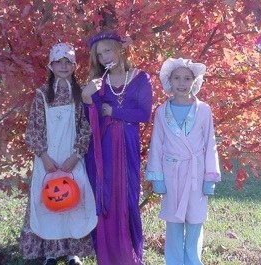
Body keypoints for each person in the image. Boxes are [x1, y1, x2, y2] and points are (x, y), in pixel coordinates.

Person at [19, 43, 97, 265]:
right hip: (49, 159)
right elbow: (34, 127)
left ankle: (74, 252)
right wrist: (43, 155)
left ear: (74, 66)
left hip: (73, 158)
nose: (63, 66)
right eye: (58, 62)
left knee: (74, 200)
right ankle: (51, 252)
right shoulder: (43, 95)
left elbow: (85, 126)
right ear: (50, 65)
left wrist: (77, 155)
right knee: (49, 202)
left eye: (68, 62)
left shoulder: (80, 93)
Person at [81, 32, 153, 265]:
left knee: (128, 193)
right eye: (99, 55)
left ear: (119, 50)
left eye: (107, 51)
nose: (103, 57)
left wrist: (115, 112)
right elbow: (93, 117)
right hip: (103, 147)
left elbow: (143, 114)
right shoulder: (98, 83)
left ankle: (129, 254)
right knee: (107, 193)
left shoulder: (141, 78)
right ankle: (108, 256)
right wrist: (88, 97)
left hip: (128, 144)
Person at [145, 58, 221, 265]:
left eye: (187, 78)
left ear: (194, 81)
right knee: (174, 222)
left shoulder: (204, 110)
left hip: (196, 172)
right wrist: (157, 177)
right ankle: (174, 261)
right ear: (169, 81)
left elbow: (210, 142)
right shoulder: (162, 112)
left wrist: (210, 178)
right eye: (177, 78)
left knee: (195, 220)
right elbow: (157, 145)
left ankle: (193, 261)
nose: (182, 83)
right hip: (172, 173)